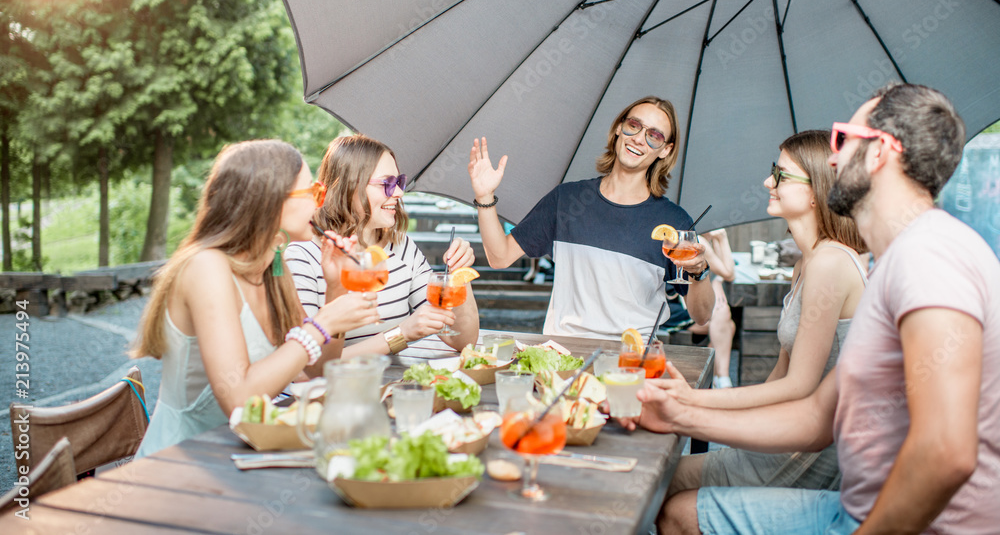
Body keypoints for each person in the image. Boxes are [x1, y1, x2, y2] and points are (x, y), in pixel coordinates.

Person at [623, 84, 1000, 535]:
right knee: (669, 501)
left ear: (879, 152)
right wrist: (680, 410)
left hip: (897, 521)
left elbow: (945, 451)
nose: (833, 158)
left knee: (677, 513)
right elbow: (817, 416)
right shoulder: (892, 264)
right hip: (854, 504)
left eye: (843, 138)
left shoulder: (929, 256)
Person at [132, 140, 380, 457]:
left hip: (243, 452)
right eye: (312, 193)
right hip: (181, 461)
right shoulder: (206, 267)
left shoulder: (273, 264)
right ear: (269, 202)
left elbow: (320, 369)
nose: (321, 204)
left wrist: (336, 289)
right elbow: (238, 400)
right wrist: (323, 323)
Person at [662, 130, 868, 499]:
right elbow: (779, 378)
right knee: (661, 478)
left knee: (661, 485)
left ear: (816, 189)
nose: (767, 181)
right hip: (787, 436)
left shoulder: (830, 263)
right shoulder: (807, 262)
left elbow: (799, 387)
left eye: (781, 174)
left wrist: (690, 400)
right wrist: (693, 401)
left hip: (814, 454)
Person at [468, 96, 714, 340]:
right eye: (634, 125)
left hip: (634, 362)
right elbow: (499, 257)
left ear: (666, 150)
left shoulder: (674, 223)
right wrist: (485, 196)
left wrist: (700, 271)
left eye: (655, 136)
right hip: (564, 356)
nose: (639, 138)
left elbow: (702, 316)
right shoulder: (566, 199)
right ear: (619, 128)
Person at [286, 134, 480, 360]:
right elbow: (307, 363)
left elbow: (464, 341)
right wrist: (400, 335)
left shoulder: (402, 247)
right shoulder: (303, 256)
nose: (398, 192)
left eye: (398, 182)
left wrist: (458, 276)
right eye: (386, 184)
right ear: (349, 186)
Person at [695, 228, 738, 389]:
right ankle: (723, 378)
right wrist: (723, 238)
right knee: (724, 317)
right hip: (682, 306)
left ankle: (713, 378)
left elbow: (723, 272)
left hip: (694, 303)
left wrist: (716, 281)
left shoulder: (704, 238)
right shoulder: (700, 240)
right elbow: (729, 272)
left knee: (727, 324)